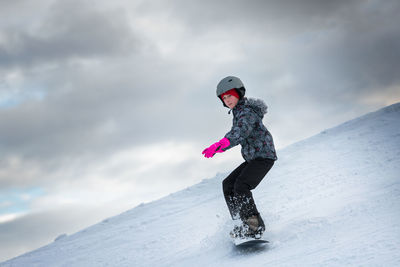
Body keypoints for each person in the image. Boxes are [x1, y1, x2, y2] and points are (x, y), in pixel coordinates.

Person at [202, 76, 277, 239]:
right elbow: (238, 131)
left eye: (230, 95)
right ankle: (241, 223)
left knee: (241, 186)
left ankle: (254, 227)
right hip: (254, 158)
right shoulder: (238, 112)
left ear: (239, 93)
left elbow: (240, 131)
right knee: (228, 184)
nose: (227, 100)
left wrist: (222, 143)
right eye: (224, 98)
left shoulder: (247, 111)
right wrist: (222, 144)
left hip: (263, 157)